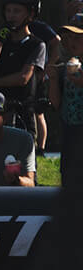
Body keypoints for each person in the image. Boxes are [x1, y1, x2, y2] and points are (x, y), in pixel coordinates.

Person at [0, 0, 48, 137]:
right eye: (8, 11)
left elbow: (23, 78)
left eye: (17, 11)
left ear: (30, 14)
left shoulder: (36, 44)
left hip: (21, 113)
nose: (11, 16)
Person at [54, 21, 83, 184]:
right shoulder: (69, 66)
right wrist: (52, 80)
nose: (72, 42)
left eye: (78, 37)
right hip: (70, 131)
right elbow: (57, 104)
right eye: (70, 37)